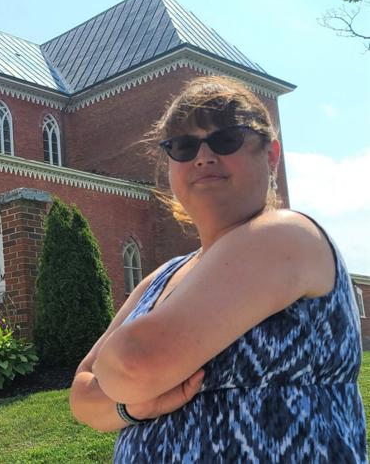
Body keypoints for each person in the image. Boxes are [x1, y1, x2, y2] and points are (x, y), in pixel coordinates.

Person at [69, 76, 367, 462]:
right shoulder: (159, 278)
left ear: (271, 154)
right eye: (183, 146)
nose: (203, 156)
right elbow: (80, 396)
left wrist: (126, 380)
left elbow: (134, 361)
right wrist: (135, 407)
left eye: (226, 139)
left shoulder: (287, 237)